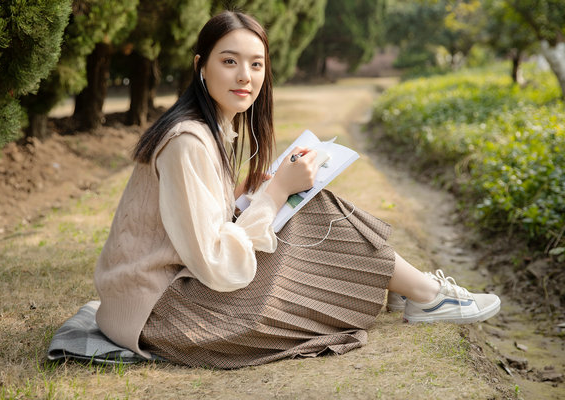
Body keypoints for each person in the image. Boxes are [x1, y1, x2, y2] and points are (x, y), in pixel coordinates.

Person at [94, 11, 500, 369]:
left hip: (162, 299)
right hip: (163, 316)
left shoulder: (211, 128)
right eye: (229, 61)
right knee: (307, 206)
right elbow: (216, 264)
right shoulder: (188, 140)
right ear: (201, 66)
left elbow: (196, 222)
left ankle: (412, 289)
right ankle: (424, 294)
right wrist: (273, 196)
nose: (244, 77)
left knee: (298, 198)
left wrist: (258, 194)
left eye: (256, 64)